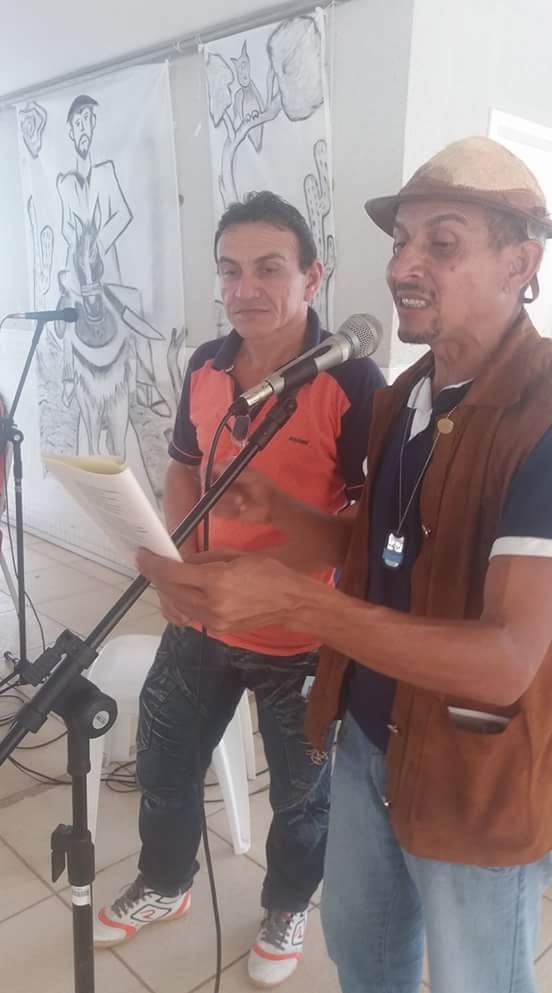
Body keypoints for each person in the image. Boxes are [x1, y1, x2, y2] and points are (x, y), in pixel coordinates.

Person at [134, 138, 552, 993]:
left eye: (442, 242)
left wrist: (302, 606)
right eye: (400, 241)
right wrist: (285, 516)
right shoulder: (407, 395)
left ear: (521, 263)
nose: (403, 266)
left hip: (472, 775)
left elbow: (507, 660)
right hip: (365, 740)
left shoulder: (541, 417)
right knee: (363, 960)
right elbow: (383, 546)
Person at [94, 190, 384, 988]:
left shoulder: (354, 380)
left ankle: (288, 902)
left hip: (301, 633)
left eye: (268, 268)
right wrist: (182, 556)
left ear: (312, 277)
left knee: (303, 796)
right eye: (229, 270)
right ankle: (165, 879)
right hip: (202, 619)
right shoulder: (206, 365)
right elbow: (185, 466)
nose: (244, 288)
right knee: (163, 761)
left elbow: (371, 521)